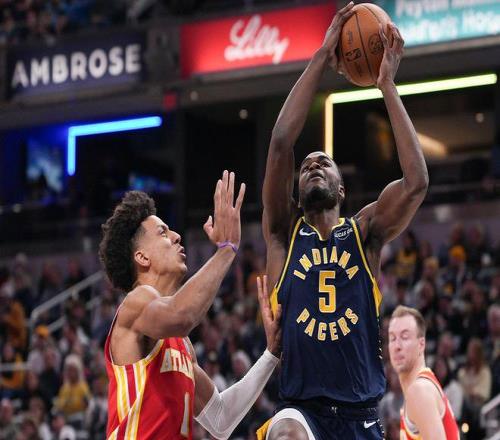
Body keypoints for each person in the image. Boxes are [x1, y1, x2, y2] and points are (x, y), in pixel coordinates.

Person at [259, 2, 428, 439]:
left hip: (360, 415)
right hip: (302, 410)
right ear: (296, 191)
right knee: (287, 433)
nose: (313, 165)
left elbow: (416, 183)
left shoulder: (364, 232)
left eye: (324, 163)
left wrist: (386, 85)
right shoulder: (283, 234)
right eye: (306, 166)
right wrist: (321, 56)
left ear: (341, 190)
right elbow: (281, 143)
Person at [99, 170, 282, 439]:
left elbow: (220, 419)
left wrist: (271, 354)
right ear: (142, 257)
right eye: (163, 233)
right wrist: (227, 249)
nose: (176, 236)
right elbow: (182, 315)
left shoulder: (181, 343)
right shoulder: (135, 303)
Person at [388, 306, 459, 439]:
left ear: (421, 344)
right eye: (392, 338)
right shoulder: (421, 387)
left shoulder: (420, 390)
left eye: (405, 337)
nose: (397, 346)